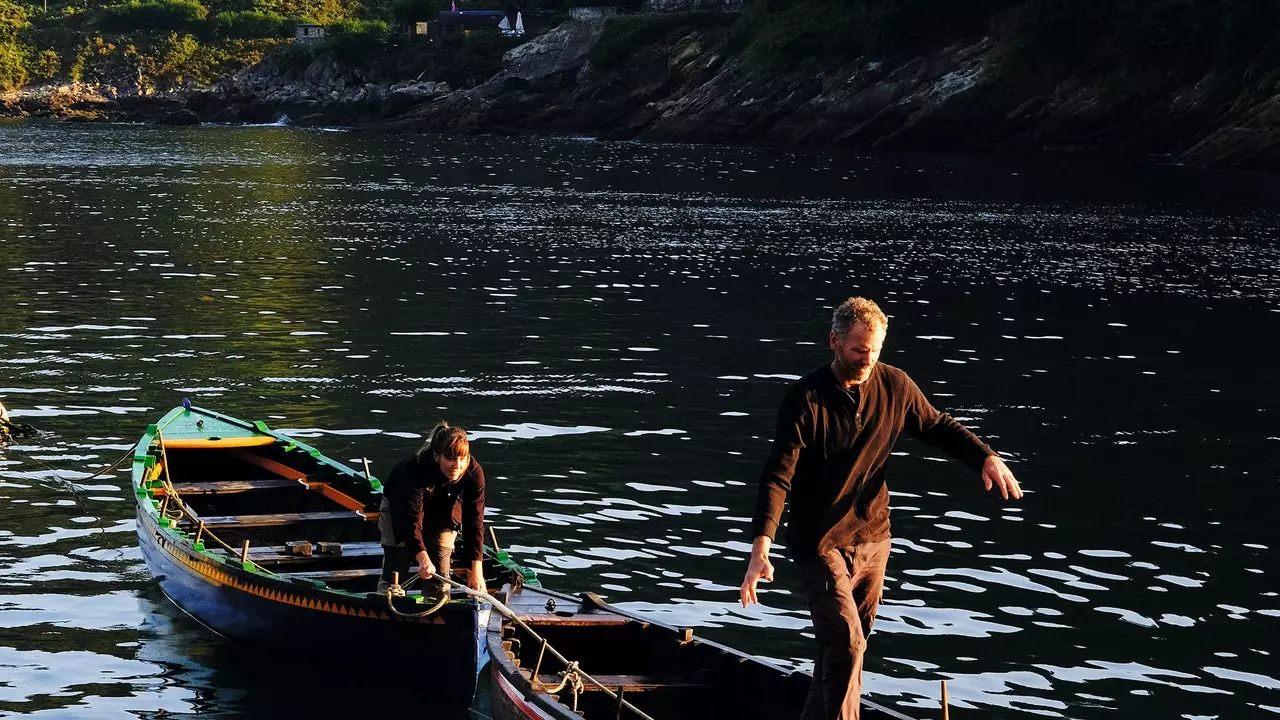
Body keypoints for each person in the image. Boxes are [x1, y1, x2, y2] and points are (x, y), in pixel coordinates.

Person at [739, 297, 1023, 720]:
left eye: (875, 349)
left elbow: (938, 426)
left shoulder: (896, 386)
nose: (868, 359)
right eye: (858, 350)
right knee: (847, 641)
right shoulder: (806, 398)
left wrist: (985, 456)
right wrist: (762, 545)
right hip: (819, 541)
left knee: (844, 650)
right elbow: (778, 475)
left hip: (873, 537)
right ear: (834, 342)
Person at [378, 421, 487, 596]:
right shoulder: (414, 471)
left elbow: (475, 522)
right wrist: (422, 558)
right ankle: (388, 598)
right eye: (450, 458)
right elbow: (411, 521)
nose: (457, 465)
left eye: (462, 458)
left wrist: (476, 571)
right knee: (398, 562)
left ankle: (437, 606)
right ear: (437, 456)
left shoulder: (474, 473)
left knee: (439, 575)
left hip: (443, 511)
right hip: (400, 510)